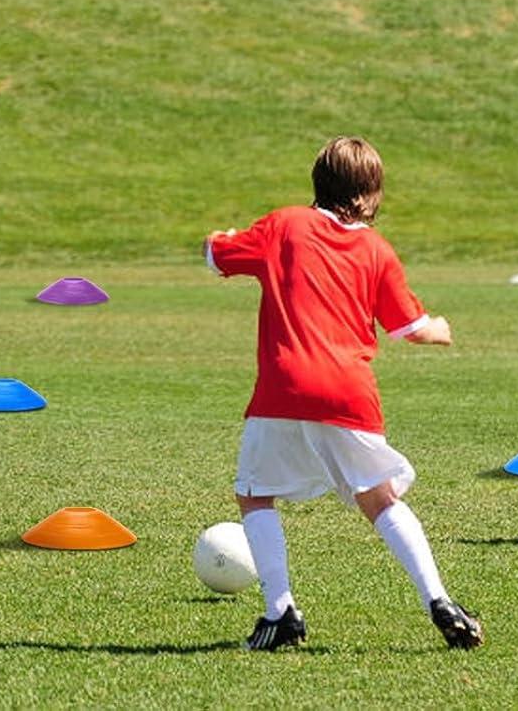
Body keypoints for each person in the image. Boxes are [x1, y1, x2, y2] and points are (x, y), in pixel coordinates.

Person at [205, 136, 482, 652]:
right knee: (379, 498)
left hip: (284, 388)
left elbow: (216, 255)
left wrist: (216, 238)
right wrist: (441, 328)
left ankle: (280, 611)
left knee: (254, 493)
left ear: (318, 182)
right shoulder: (376, 249)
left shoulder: (284, 224)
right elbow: (410, 329)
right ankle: (438, 600)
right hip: (350, 394)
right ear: (372, 193)